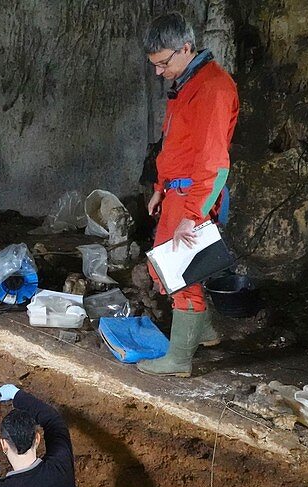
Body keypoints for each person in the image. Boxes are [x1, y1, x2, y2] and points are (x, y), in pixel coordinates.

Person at [138, 11, 239, 376]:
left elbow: (215, 164)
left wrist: (192, 216)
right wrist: (160, 188)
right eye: (154, 65)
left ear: (185, 48)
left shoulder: (212, 88)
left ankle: (179, 360)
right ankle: (206, 333)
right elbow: (177, 148)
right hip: (176, 194)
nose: (158, 72)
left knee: (177, 274)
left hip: (193, 198)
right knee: (166, 268)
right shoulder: (186, 82)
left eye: (163, 63)